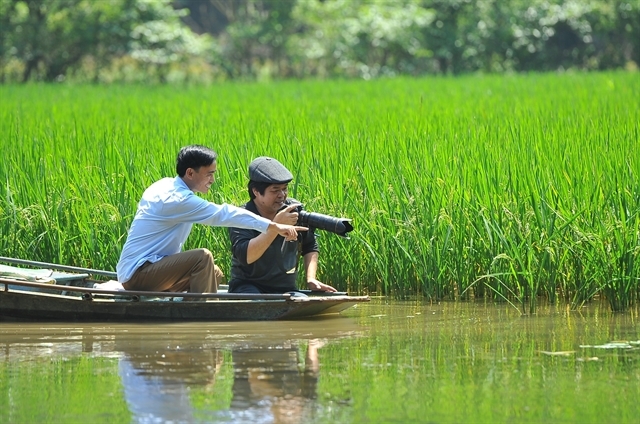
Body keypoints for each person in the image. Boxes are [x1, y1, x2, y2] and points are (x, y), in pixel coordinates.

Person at [116, 146, 307, 295]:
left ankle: (189, 308)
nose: (213, 180)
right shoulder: (177, 199)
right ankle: (204, 316)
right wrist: (272, 226)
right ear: (190, 173)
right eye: (209, 174)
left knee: (213, 273)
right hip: (138, 274)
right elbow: (223, 214)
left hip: (153, 268)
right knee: (202, 257)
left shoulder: (166, 185)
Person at [227, 156, 337, 294]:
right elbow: (246, 256)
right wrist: (276, 226)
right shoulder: (241, 216)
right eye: (275, 190)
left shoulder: (293, 210)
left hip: (285, 288)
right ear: (256, 192)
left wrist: (311, 279)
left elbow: (310, 246)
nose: (282, 195)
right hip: (247, 287)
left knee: (301, 304)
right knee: (257, 303)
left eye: (285, 189)